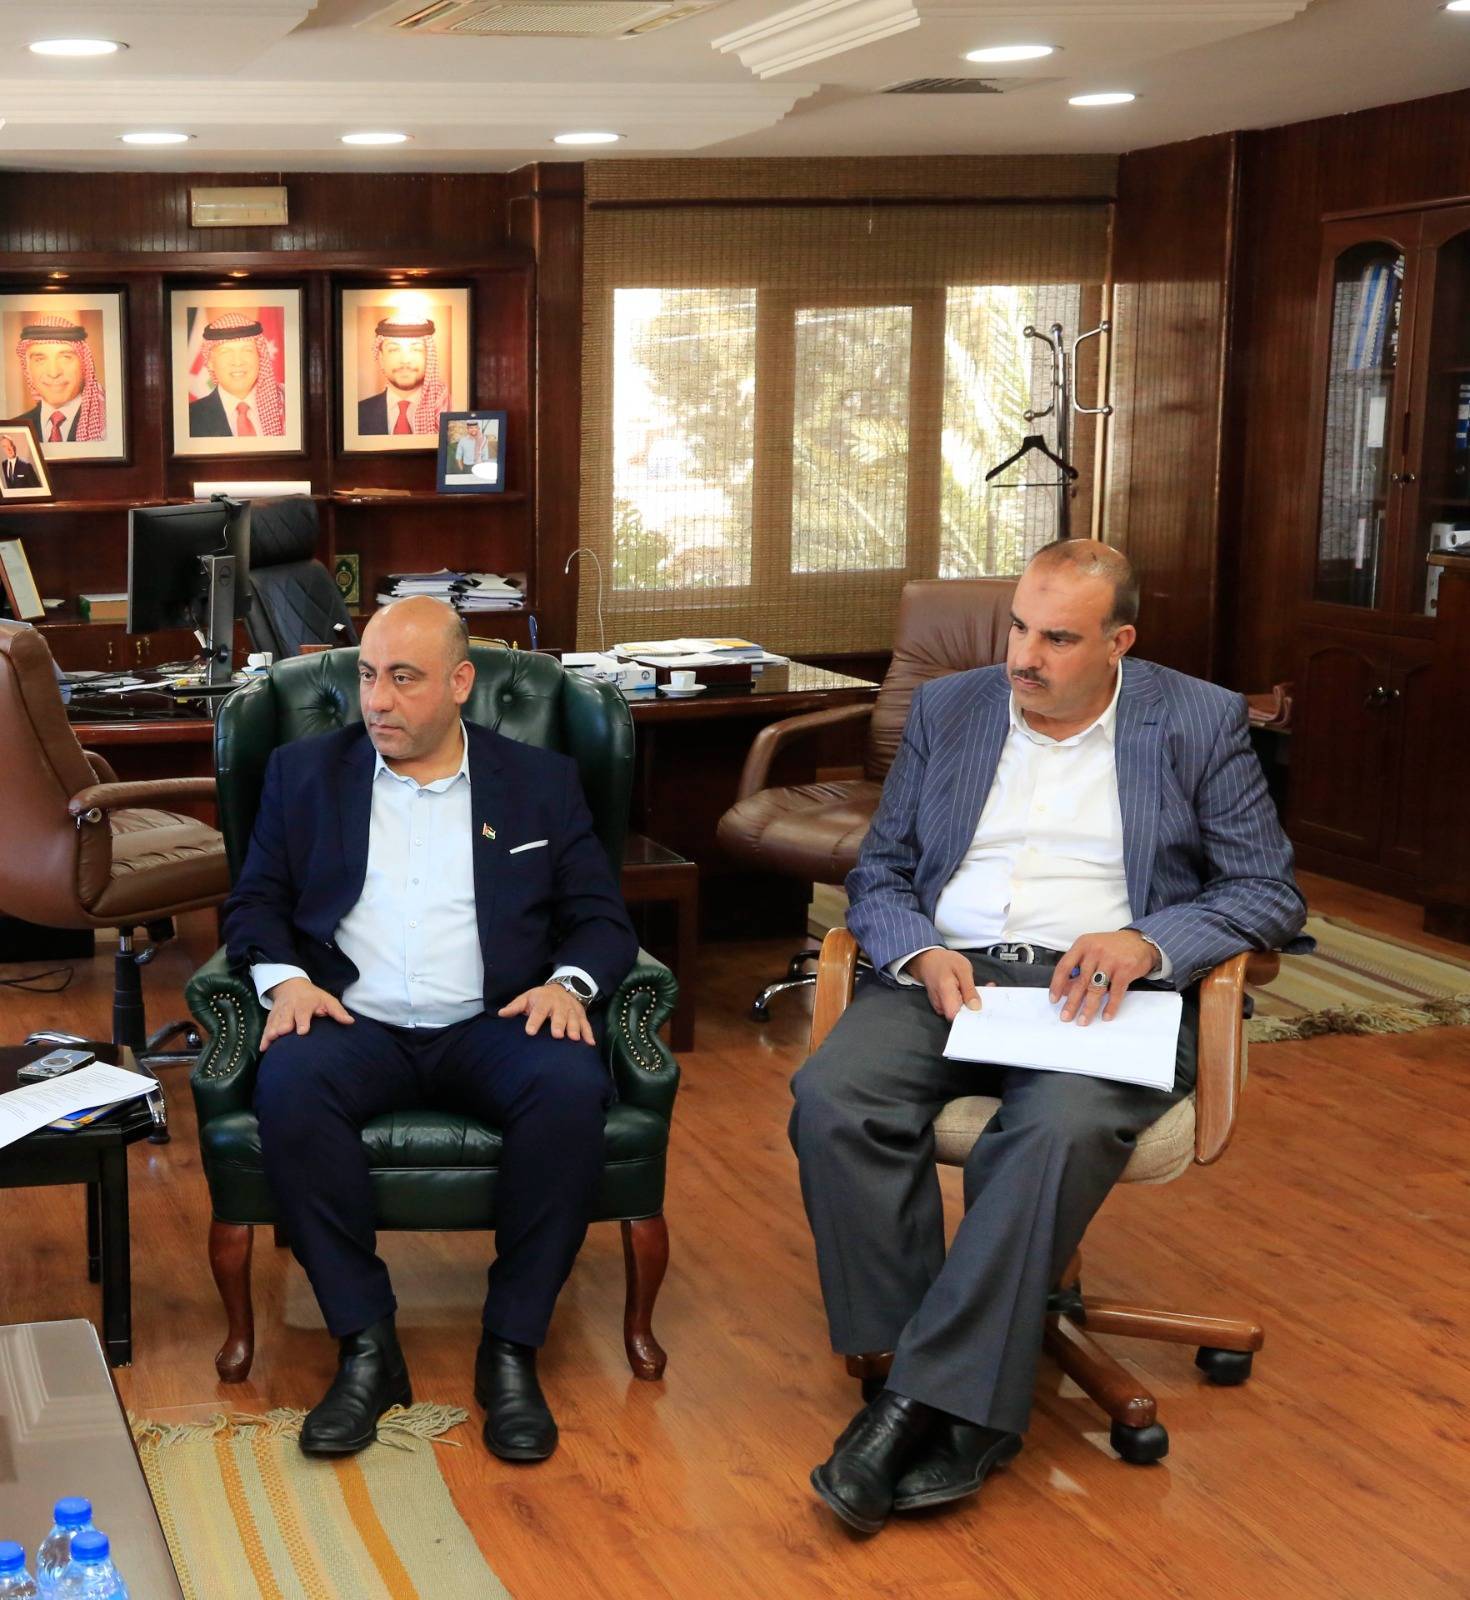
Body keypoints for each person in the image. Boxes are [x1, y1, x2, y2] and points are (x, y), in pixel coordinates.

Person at [790, 539, 1308, 1534]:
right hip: (955, 978)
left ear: (1120, 641)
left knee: (1052, 1130)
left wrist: (1150, 941)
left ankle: (926, 1413)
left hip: (1103, 996)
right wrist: (916, 953)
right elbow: (881, 871)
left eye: (1058, 639)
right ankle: (914, 1372)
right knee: (833, 1098)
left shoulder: (1195, 720)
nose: (1023, 658)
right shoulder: (952, 708)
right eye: (1019, 628)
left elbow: (1265, 892)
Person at [222, 597, 637, 1462]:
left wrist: (567, 985)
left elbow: (602, 919)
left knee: (568, 1086)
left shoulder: (538, 783)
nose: (377, 700)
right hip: (353, 1016)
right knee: (290, 1084)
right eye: (369, 676)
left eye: (403, 679)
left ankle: (511, 1349)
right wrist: (286, 980)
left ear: (459, 683)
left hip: (495, 1018)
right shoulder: (305, 774)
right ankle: (367, 1348)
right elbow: (255, 901)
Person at [188, 312, 286, 438]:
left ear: (260, 356)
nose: (238, 361)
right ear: (210, 362)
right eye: (226, 352)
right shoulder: (190, 418)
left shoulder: (286, 406)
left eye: (247, 350)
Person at [13, 315, 108, 443]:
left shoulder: (109, 425)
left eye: (66, 357)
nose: (53, 373)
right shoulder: (14, 431)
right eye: (40, 359)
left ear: (84, 364)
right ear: (28, 368)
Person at [358, 315, 450, 436]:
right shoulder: (358, 414)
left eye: (416, 349)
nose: (405, 360)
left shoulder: (448, 409)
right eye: (394, 350)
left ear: (428, 357)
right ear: (381, 358)